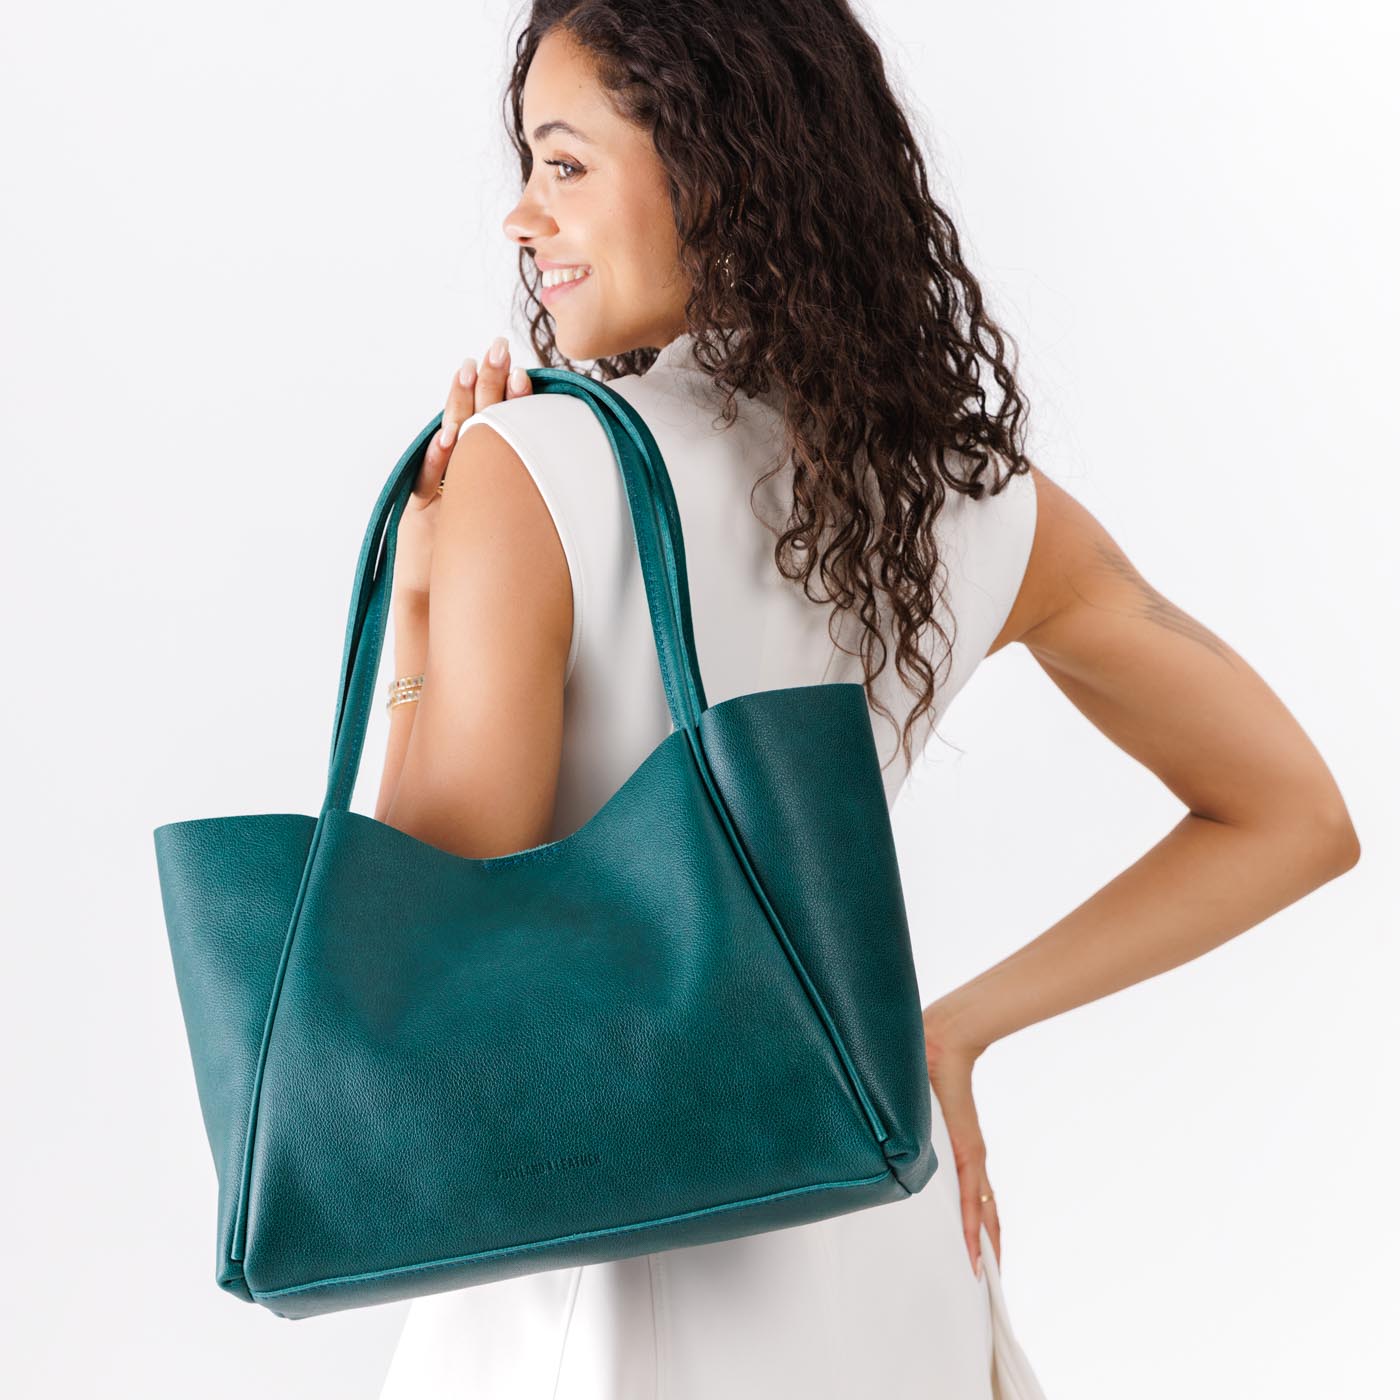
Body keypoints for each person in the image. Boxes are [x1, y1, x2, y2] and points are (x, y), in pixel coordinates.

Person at [372, 3, 1361, 1396]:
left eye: (566, 164)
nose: (522, 217)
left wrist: (418, 605)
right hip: (878, 1207)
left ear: (712, 166)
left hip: (607, 1244)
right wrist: (948, 1031)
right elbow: (1296, 816)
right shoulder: (968, 502)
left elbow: (419, 954)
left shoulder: (526, 471)